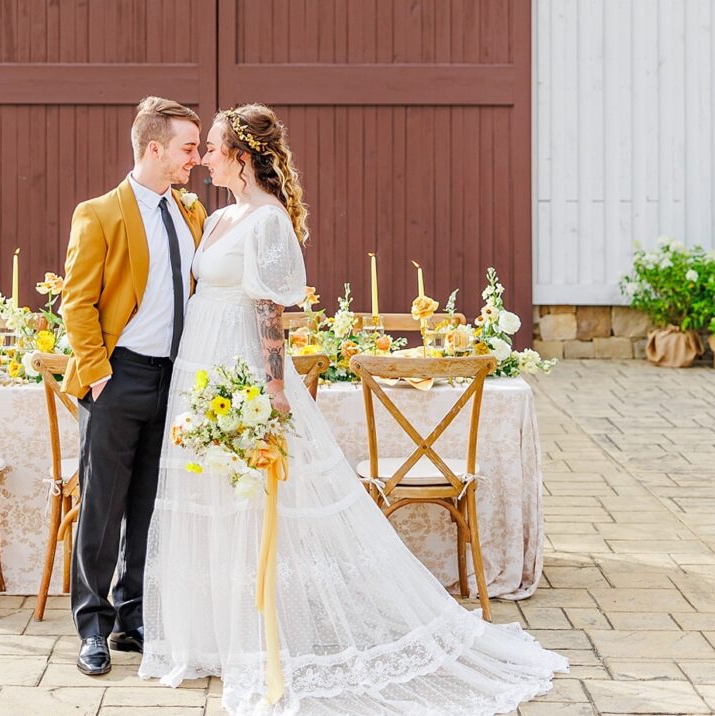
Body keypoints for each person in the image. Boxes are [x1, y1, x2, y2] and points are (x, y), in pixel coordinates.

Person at [138, 103, 568, 715]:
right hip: (200, 367)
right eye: (201, 147)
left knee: (258, 499)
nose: (203, 155)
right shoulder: (216, 220)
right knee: (210, 497)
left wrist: (275, 385)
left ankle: (263, 635)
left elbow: (269, 311)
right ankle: (214, 635)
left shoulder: (267, 221)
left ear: (242, 154)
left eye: (211, 146)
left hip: (242, 368)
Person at [60, 96, 207, 676]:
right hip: (118, 378)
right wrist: (98, 376)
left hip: (172, 380)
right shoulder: (98, 214)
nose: (196, 158)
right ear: (155, 148)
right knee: (102, 507)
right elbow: (77, 304)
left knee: (149, 507)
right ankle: (91, 628)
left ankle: (132, 618)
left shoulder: (189, 212)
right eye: (188, 148)